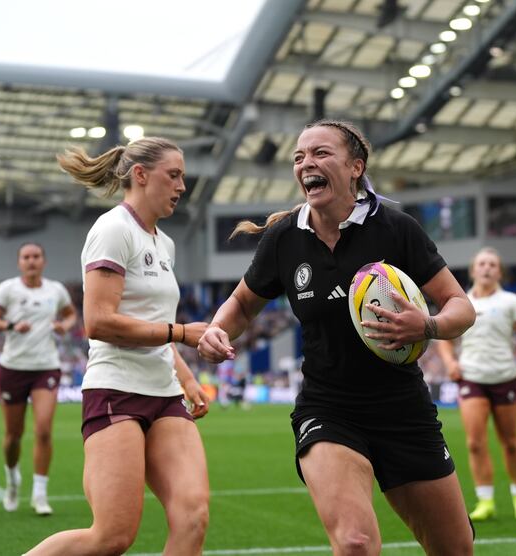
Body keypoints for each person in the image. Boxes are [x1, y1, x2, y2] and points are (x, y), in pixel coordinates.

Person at [198, 119, 477, 555]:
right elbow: (242, 304)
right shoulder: (284, 239)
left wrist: (427, 326)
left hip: (403, 410)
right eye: (299, 157)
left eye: (321, 153)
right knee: (355, 543)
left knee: (455, 548)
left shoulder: (396, 228)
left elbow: (461, 307)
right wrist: (217, 328)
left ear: (355, 168)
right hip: (329, 409)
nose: (306, 163)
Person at [25, 137, 210, 555]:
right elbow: (99, 322)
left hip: (165, 395)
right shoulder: (112, 230)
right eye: (174, 175)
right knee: (111, 537)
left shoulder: (165, 243)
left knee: (193, 517)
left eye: (183, 176)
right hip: (116, 392)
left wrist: (186, 377)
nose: (182, 186)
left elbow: (151, 321)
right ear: (141, 175)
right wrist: (183, 332)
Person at [436, 247, 516, 521]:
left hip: (505, 376)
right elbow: (444, 338)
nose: (487, 268)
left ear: (500, 271)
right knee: (475, 443)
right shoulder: (462, 302)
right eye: (481, 263)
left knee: (511, 442)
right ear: (473, 270)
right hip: (471, 378)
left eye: (492, 264)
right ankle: (486, 501)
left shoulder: (512, 301)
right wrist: (450, 362)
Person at [0, 242, 78, 516]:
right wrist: (11, 325)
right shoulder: (8, 289)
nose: (31, 261)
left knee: (44, 430)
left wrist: (64, 326)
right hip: (13, 367)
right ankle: (13, 480)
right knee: (13, 436)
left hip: (46, 367)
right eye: (26, 257)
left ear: (44, 261)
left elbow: (71, 314)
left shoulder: (56, 290)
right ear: (19, 262)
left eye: (36, 256)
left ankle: (40, 494)